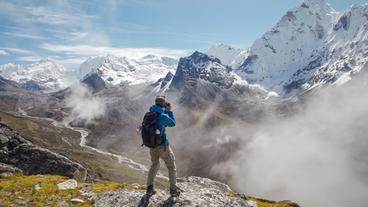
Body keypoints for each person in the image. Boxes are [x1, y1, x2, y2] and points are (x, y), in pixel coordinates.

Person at [146, 96, 178, 197]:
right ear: (164, 104)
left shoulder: (148, 114)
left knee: (154, 165)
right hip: (163, 146)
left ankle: (149, 188)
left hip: (151, 146)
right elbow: (173, 123)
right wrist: (169, 111)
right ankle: (173, 190)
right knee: (171, 167)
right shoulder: (163, 115)